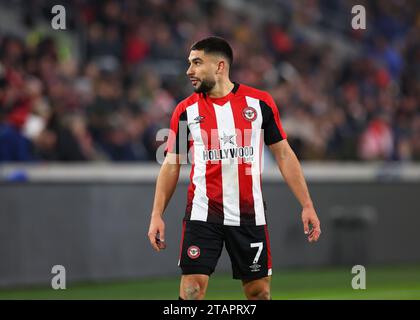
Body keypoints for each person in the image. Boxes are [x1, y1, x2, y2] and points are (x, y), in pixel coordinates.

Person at [147, 36, 321, 300]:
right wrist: (157, 214)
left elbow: (284, 155)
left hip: (249, 214)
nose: (189, 71)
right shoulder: (185, 111)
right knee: (192, 290)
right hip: (203, 213)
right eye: (189, 63)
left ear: (219, 66)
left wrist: (306, 204)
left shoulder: (259, 103)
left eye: (196, 63)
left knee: (259, 292)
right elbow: (172, 164)